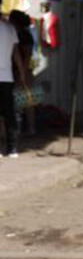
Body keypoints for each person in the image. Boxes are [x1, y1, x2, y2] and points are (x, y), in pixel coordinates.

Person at [0, 13, 26, 158]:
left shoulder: (10, 28)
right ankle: (12, 148)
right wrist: (22, 73)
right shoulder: (10, 28)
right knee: (9, 113)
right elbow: (16, 53)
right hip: (7, 77)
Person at [9, 10, 36, 136]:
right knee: (25, 100)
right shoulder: (24, 34)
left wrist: (22, 73)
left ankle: (27, 128)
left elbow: (27, 56)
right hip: (22, 70)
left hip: (24, 71)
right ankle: (28, 128)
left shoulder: (24, 36)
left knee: (24, 100)